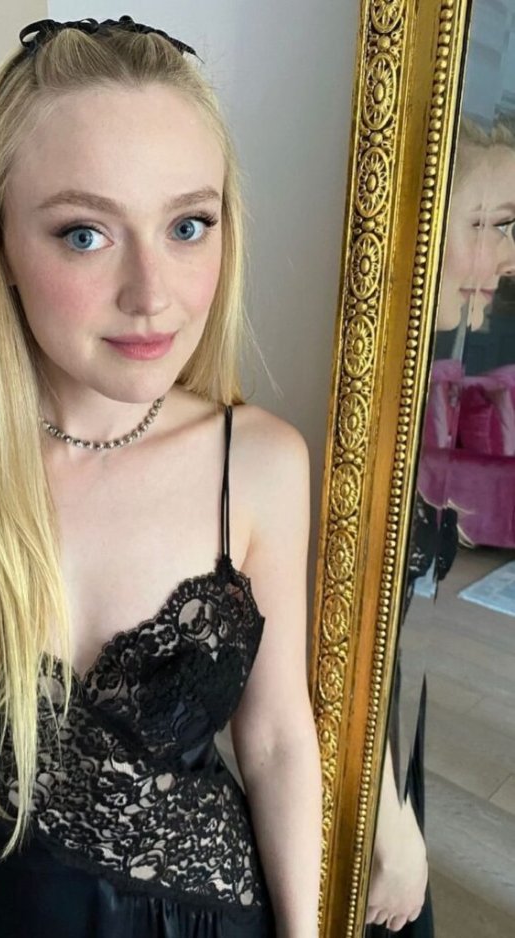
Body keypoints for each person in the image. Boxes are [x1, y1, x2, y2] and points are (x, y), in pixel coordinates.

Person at [0, 15, 322, 938]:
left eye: (188, 225)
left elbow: (274, 741)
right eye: (85, 234)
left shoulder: (258, 463)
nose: (153, 293)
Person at [364, 115, 515, 935]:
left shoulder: (437, 367)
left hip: (395, 707)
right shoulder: (368, 392)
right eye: (486, 225)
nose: (507, 255)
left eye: (510, 227)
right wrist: (389, 823)